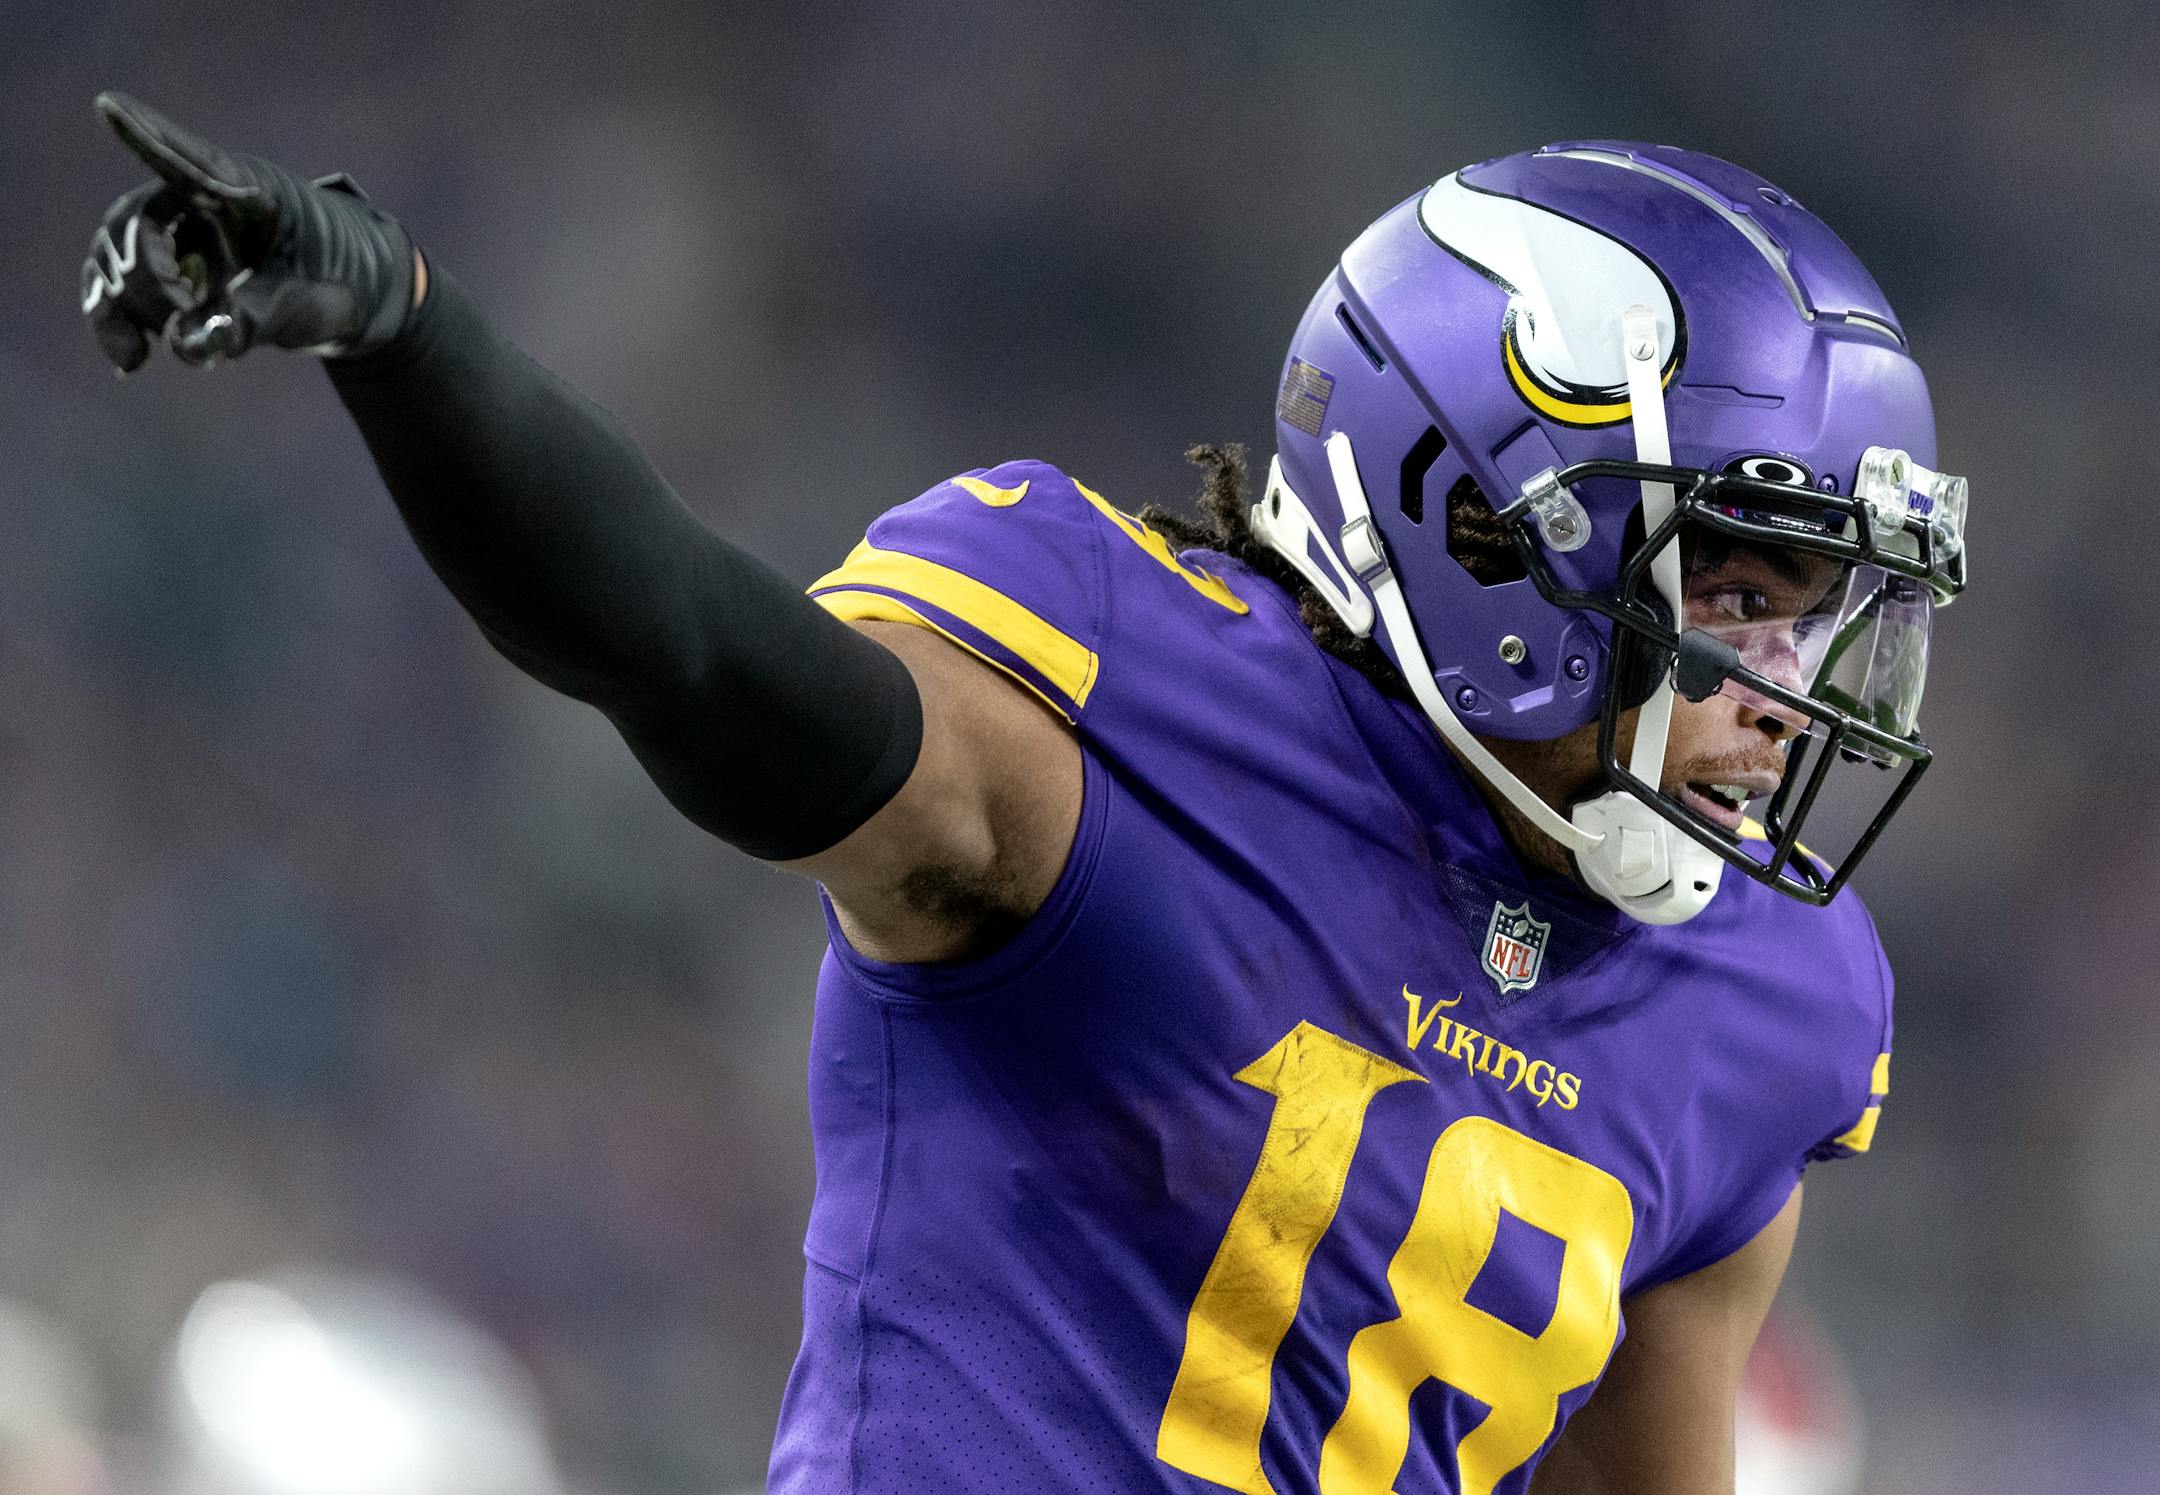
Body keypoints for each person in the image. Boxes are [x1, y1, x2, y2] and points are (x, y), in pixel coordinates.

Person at [82, 92, 1968, 1495]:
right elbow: (700, 657)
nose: (1786, 695)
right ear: (1485, 526)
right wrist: (412, 332)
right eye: (1732, 593)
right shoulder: (1117, 684)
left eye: (1824, 621)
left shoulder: (1776, 998)